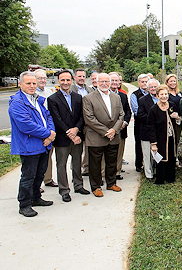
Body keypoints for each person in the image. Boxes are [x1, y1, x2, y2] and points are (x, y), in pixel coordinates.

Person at [9, 71, 55, 217]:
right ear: (20, 84)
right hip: (29, 146)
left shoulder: (37, 99)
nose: (32, 86)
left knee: (39, 173)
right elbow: (26, 125)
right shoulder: (18, 103)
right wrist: (48, 134)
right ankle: (24, 204)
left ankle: (36, 198)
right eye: (28, 83)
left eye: (34, 83)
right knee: (28, 176)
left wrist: (51, 133)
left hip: (43, 144)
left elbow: (48, 117)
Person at [47, 70, 90, 202]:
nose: (65, 82)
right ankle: (64, 190)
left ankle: (78, 185)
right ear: (58, 81)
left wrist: (77, 129)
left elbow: (82, 116)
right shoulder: (52, 99)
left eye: (67, 80)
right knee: (61, 165)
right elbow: (57, 119)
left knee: (77, 163)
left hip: (77, 137)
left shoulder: (78, 97)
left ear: (71, 80)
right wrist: (70, 134)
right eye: (62, 80)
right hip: (62, 138)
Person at [83, 73, 124, 197]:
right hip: (96, 136)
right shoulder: (88, 98)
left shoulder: (116, 97)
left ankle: (111, 183)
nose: (104, 84)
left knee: (112, 161)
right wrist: (106, 131)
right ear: (96, 82)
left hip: (113, 136)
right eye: (101, 81)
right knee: (95, 164)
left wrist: (114, 130)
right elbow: (89, 118)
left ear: (110, 82)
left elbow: (121, 115)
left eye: (107, 81)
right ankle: (96, 187)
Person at [147, 84, 178, 184]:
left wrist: (177, 117)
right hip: (160, 138)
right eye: (161, 94)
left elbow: (178, 120)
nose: (164, 96)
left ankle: (170, 178)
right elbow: (150, 127)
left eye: (166, 94)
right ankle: (160, 179)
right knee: (162, 158)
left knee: (171, 157)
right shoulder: (154, 109)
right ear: (157, 95)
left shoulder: (172, 105)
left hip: (171, 138)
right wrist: (153, 143)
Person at [34, 69, 57, 189]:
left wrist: (51, 132)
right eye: (39, 78)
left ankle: (48, 179)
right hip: (38, 131)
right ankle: (36, 186)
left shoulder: (49, 91)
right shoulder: (32, 94)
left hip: (50, 129)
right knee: (37, 158)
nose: (43, 80)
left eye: (44, 78)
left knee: (48, 156)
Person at [109, 72, 131, 180]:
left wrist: (125, 122)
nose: (114, 83)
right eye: (112, 80)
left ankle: (117, 173)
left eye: (116, 81)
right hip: (108, 130)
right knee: (107, 154)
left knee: (119, 152)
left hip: (121, 129)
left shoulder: (123, 95)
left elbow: (128, 111)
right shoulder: (104, 95)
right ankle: (106, 174)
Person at [137, 79, 159, 180]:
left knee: (158, 153)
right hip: (146, 131)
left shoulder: (162, 98)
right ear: (148, 88)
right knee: (147, 154)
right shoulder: (142, 100)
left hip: (160, 131)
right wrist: (153, 119)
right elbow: (140, 114)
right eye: (151, 87)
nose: (153, 89)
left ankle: (156, 171)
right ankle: (149, 174)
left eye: (155, 87)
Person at [130, 74, 149, 172]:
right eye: (142, 82)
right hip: (139, 123)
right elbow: (136, 111)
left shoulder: (152, 93)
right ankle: (138, 165)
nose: (145, 83)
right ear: (138, 82)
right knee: (139, 144)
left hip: (151, 125)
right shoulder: (135, 94)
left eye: (146, 82)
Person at [165, 74, 182, 168]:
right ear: (167, 82)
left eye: (174, 81)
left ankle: (176, 158)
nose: (173, 83)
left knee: (177, 139)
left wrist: (180, 117)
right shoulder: (166, 94)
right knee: (171, 140)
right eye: (171, 81)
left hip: (179, 120)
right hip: (170, 120)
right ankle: (171, 160)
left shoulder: (179, 93)